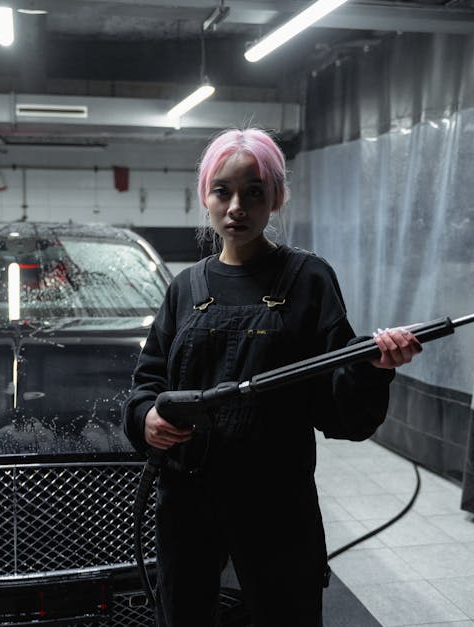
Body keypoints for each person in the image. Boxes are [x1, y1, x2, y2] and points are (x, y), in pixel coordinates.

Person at [123, 127, 422, 626]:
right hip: (187, 504)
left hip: (277, 504)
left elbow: (340, 412)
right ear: (206, 196)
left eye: (254, 192)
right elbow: (146, 384)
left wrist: (372, 369)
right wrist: (146, 419)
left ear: (276, 198)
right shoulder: (184, 288)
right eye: (223, 190)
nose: (236, 205)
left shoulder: (308, 280)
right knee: (184, 612)